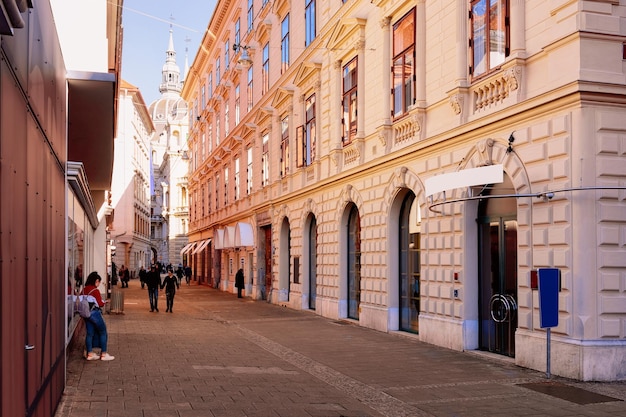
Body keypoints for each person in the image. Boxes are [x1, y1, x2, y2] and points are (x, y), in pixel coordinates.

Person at [81, 272, 115, 361]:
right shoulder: (95, 290)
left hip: (86, 314)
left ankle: (90, 354)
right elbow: (100, 304)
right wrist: (105, 302)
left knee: (89, 333)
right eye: (99, 282)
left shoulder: (84, 290)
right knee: (103, 331)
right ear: (96, 281)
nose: (99, 284)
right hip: (95, 314)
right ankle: (103, 354)